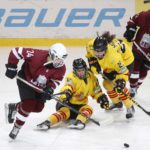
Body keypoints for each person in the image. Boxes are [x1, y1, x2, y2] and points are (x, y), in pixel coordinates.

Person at [5, 43, 68, 140]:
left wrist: (50, 88)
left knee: (38, 108)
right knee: (29, 104)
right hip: (25, 79)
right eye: (58, 59)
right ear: (51, 54)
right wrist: (11, 66)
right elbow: (16, 51)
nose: (60, 63)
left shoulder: (61, 68)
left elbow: (56, 80)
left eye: (62, 60)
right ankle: (17, 127)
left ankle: (14, 107)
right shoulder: (37, 55)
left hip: (39, 87)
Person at [36, 58, 109, 130]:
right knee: (65, 112)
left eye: (82, 70)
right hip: (67, 104)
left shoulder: (92, 78)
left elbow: (96, 91)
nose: (80, 73)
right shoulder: (71, 77)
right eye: (78, 71)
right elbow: (68, 86)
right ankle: (47, 122)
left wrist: (101, 98)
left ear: (85, 69)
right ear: (74, 71)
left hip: (80, 106)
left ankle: (79, 122)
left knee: (89, 109)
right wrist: (66, 95)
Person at [86, 31, 135, 119]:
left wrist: (121, 82)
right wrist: (93, 63)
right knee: (107, 84)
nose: (97, 54)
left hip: (126, 61)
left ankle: (129, 106)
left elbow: (125, 72)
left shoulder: (114, 58)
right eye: (95, 51)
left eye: (100, 52)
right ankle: (117, 103)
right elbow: (90, 55)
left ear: (105, 49)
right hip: (110, 64)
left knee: (119, 87)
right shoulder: (90, 45)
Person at [124, 10, 150, 98]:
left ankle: (136, 87)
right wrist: (131, 30)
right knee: (134, 70)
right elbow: (133, 20)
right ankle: (132, 88)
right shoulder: (145, 15)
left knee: (143, 73)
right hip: (138, 49)